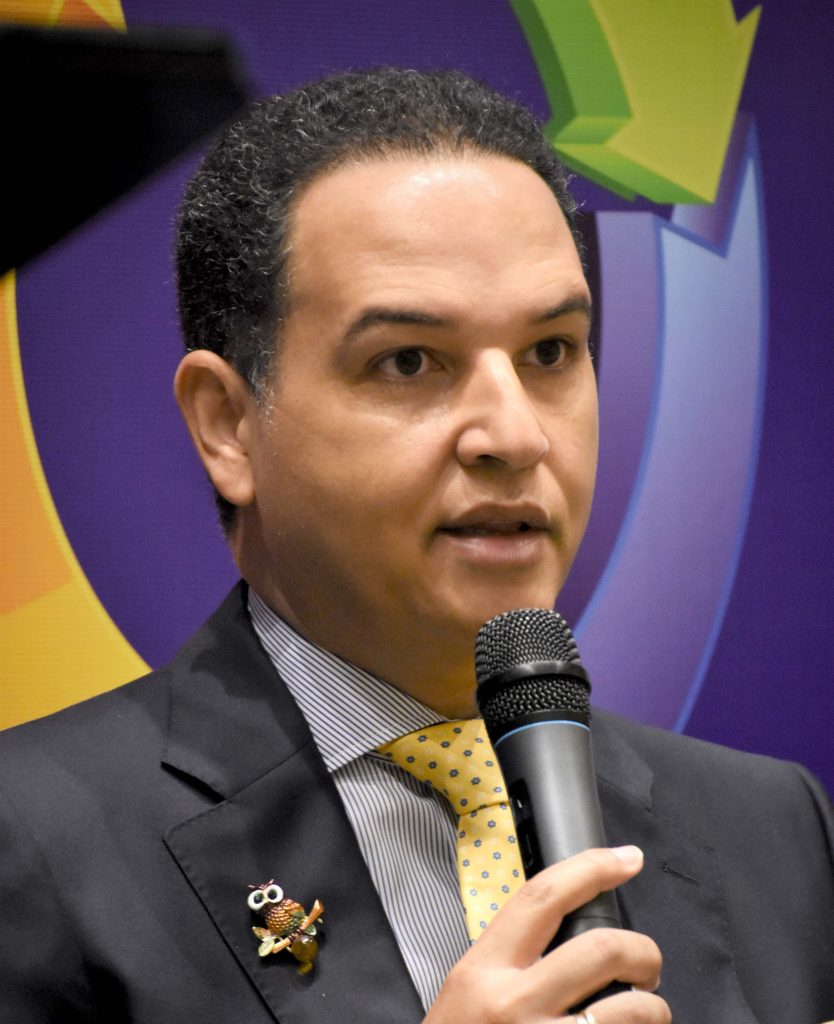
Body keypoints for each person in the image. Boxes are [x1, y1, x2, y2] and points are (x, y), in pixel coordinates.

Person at [1, 68, 832, 1024]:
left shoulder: (775, 826)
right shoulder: (33, 839)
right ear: (227, 425)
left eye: (551, 351)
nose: (515, 435)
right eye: (408, 361)